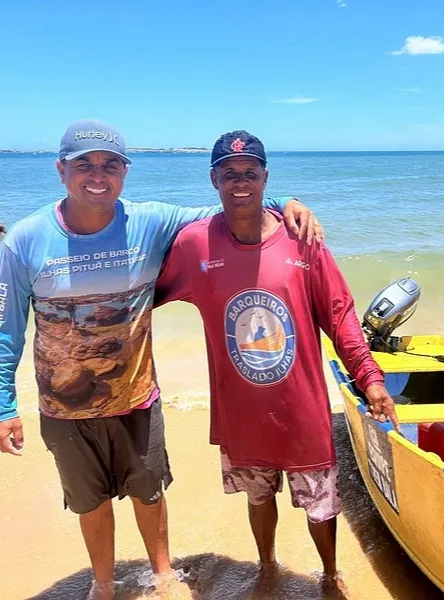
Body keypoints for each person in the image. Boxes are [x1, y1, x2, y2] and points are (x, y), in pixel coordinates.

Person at [0, 120, 321, 600]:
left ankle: (164, 573)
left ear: (124, 172)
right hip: (65, 408)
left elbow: (227, 209)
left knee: (149, 492)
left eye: (110, 164)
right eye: (83, 164)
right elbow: (7, 331)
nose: (97, 175)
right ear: (61, 169)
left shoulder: (151, 221)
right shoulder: (23, 241)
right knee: (89, 502)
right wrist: (5, 406)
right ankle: (104, 584)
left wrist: (285, 203)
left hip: (137, 396)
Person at [154, 130, 400, 593]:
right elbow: (141, 298)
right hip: (242, 412)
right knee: (257, 497)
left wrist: (370, 379)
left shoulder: (303, 238)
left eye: (250, 173)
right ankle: (266, 569)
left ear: (266, 177)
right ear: (213, 180)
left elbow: (340, 314)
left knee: (321, 506)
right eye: (230, 174)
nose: (240, 183)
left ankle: (330, 575)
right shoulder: (193, 245)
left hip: (301, 408)